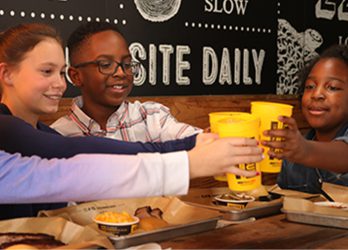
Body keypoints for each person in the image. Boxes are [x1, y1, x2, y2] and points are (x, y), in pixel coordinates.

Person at [0, 22, 262, 219]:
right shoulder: (10, 128)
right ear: (7, 74)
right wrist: (189, 151)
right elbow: (80, 151)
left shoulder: (47, 135)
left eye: (59, 72)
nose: (59, 84)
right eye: (46, 71)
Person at [51, 21, 202, 141]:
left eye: (127, 64)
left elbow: (196, 141)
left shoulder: (151, 118)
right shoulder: (57, 136)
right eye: (105, 65)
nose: (121, 73)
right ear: (76, 76)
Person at [262, 44, 348, 194]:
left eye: (332, 87)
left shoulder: (298, 148)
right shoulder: (291, 155)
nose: (316, 94)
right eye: (310, 86)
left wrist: (304, 150)